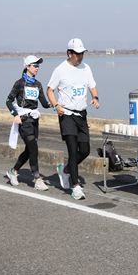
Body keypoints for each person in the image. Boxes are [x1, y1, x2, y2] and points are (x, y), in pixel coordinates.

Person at [47, 38, 100, 200]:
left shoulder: (86, 68)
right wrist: (56, 106)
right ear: (69, 53)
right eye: (77, 54)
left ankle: (66, 170)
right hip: (67, 115)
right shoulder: (60, 70)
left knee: (84, 150)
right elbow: (50, 90)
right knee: (72, 149)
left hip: (81, 115)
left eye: (82, 53)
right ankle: (75, 186)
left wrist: (95, 97)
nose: (80, 56)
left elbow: (92, 86)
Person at [5, 55, 52, 190]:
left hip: (34, 121)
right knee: (34, 148)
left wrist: (54, 104)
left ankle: (13, 171)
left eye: (38, 66)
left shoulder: (38, 84)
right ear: (27, 66)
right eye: (35, 65)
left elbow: (44, 103)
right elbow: (8, 101)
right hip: (23, 120)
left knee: (29, 149)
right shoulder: (19, 83)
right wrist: (15, 115)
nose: (37, 68)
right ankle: (37, 179)